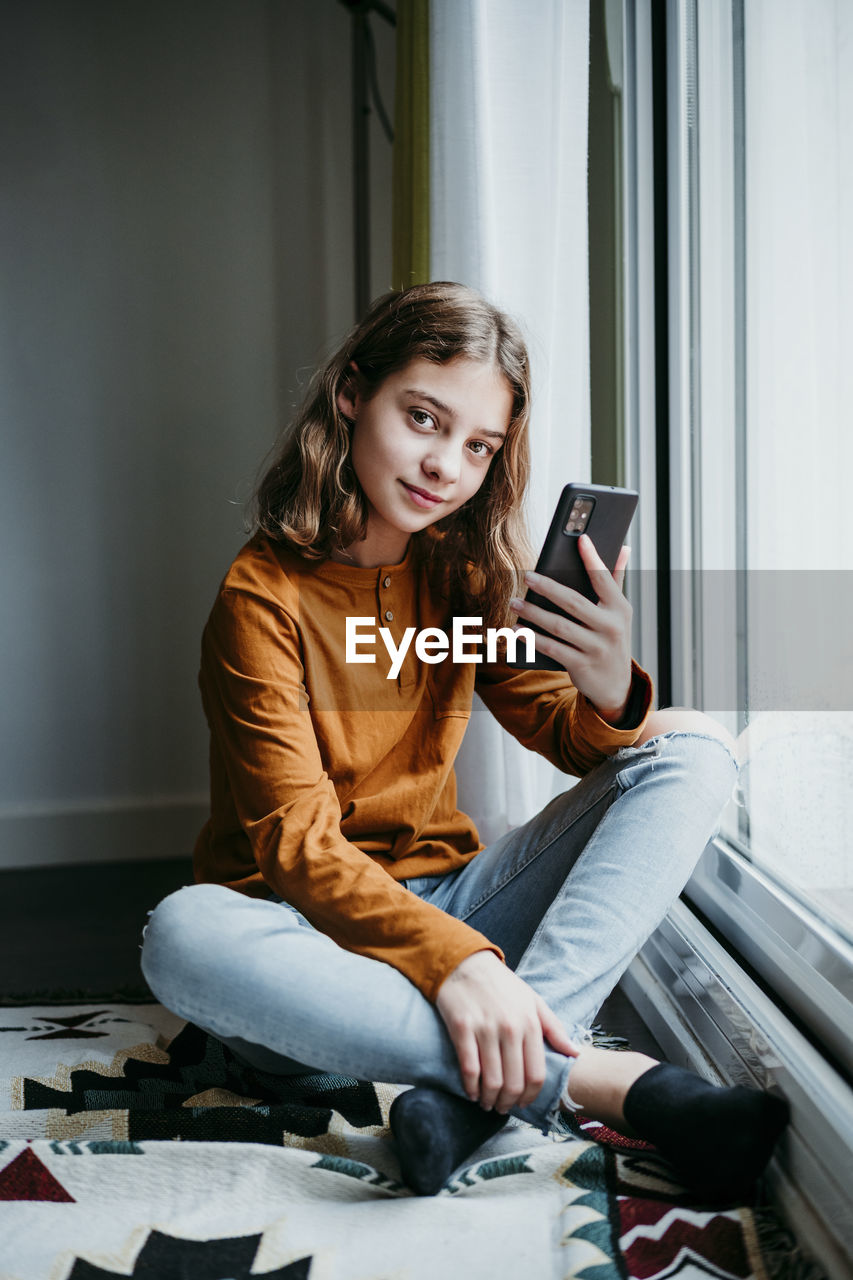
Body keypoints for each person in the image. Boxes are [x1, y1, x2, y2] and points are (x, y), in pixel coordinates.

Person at [140, 281, 788, 1199]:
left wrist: (606, 686)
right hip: (302, 935)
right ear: (351, 394)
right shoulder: (260, 600)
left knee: (690, 746)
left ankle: (478, 1094)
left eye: (477, 445)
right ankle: (600, 1080)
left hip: (453, 903)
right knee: (180, 934)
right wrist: (459, 965)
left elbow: (566, 736)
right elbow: (297, 848)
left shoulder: (462, 573)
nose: (445, 464)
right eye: (422, 418)